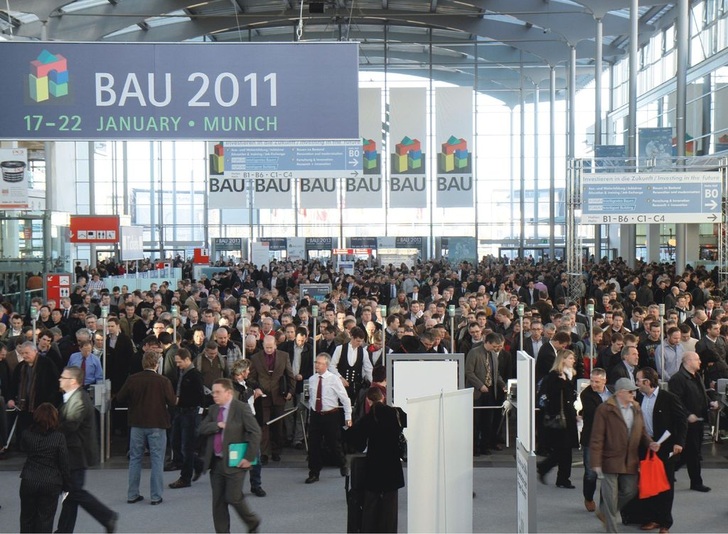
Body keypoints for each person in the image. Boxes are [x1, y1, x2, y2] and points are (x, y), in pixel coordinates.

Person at [589, 378, 660, 533]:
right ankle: (612, 529)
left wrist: (650, 443)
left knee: (630, 490)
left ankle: (605, 512)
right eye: (630, 391)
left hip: (630, 460)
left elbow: (642, 432)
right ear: (620, 392)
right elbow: (597, 437)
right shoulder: (605, 409)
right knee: (610, 497)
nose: (633, 394)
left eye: (634, 391)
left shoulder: (636, 407)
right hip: (609, 459)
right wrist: (595, 462)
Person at [56, 366, 119, 533]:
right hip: (73, 453)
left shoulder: (79, 399)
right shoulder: (71, 398)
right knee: (70, 494)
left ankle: (107, 516)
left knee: (74, 492)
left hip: (77, 454)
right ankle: (64, 530)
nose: (60, 379)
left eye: (64, 377)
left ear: (74, 381)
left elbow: (70, 425)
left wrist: (50, 429)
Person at [199, 378, 262, 534]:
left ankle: (252, 522)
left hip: (236, 462)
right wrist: (217, 425)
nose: (214, 395)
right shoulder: (213, 409)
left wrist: (248, 457)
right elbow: (202, 428)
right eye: (213, 392)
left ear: (229, 393)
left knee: (233, 497)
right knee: (218, 503)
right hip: (216, 463)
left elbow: (255, 432)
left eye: (218, 392)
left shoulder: (241, 409)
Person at [629, 366, 687, 533]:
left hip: (665, 447)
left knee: (665, 485)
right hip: (645, 447)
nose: (636, 383)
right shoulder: (638, 398)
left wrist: (679, 443)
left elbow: (681, 421)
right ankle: (652, 518)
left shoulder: (668, 398)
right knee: (648, 483)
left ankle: (665, 523)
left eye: (638, 380)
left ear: (647, 382)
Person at [116, 351, 177, 505]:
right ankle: (156, 496)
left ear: (143, 363)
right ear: (157, 364)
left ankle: (132, 494)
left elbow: (120, 398)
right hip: (157, 424)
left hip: (136, 423)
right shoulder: (163, 381)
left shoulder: (133, 379)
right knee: (157, 460)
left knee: (135, 459)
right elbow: (171, 401)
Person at [347, 387, 405, 533]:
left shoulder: (368, 418)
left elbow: (355, 441)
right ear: (383, 398)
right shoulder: (396, 413)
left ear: (368, 400)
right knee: (390, 508)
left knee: (371, 507)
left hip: (374, 467)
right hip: (392, 467)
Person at [668, 351, 718, 492]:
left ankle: (669, 471)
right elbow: (675, 401)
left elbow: (702, 394)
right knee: (693, 452)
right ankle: (696, 482)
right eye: (697, 360)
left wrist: (710, 403)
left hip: (699, 419)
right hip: (686, 422)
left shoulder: (696, 376)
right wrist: (687, 414)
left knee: (687, 452)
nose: (700, 362)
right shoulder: (678, 379)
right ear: (688, 361)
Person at [19, 402, 71, 533]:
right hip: (51, 482)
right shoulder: (59, 438)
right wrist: (67, 486)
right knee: (45, 521)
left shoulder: (27, 434)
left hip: (29, 479)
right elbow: (64, 463)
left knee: (26, 519)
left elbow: (23, 448)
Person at [306, 353, 352, 484]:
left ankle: (343, 463)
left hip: (331, 415)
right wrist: (311, 414)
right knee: (313, 444)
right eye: (316, 362)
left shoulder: (334, 379)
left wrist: (348, 417)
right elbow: (311, 398)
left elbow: (345, 398)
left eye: (319, 363)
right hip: (316, 415)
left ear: (326, 365)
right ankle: (314, 472)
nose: (317, 365)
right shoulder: (312, 379)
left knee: (334, 443)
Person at [248, 335, 294, 464]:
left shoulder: (284, 356)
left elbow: (290, 375)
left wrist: (291, 391)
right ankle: (264, 453)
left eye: (271, 347)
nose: (269, 350)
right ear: (262, 346)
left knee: (277, 426)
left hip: (279, 395)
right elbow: (251, 378)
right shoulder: (255, 358)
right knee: (264, 425)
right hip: (263, 397)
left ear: (275, 345)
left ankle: (276, 451)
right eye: (266, 347)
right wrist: (257, 388)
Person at [537, 349, 579, 488]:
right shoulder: (555, 376)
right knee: (563, 449)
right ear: (563, 359)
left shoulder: (568, 376)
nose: (573, 361)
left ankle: (559, 476)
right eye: (571, 358)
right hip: (560, 419)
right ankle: (554, 473)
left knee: (564, 450)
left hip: (568, 417)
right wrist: (563, 384)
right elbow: (553, 396)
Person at [168, 348, 205, 489]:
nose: (177, 365)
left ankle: (185, 477)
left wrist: (180, 400)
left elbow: (199, 397)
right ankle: (198, 464)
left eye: (179, 362)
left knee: (187, 446)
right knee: (176, 442)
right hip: (180, 412)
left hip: (190, 413)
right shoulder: (183, 372)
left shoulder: (195, 375)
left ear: (187, 360)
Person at [465, 332, 507, 456]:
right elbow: (469, 372)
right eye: (494, 346)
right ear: (487, 342)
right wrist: (480, 385)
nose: (496, 348)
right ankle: (474, 448)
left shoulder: (494, 355)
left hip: (490, 391)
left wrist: (502, 384)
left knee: (488, 421)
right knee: (476, 422)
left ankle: (485, 446)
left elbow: (495, 373)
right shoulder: (474, 353)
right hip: (477, 393)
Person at [230, 359, 266, 497]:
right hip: (239, 425)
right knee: (237, 458)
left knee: (255, 456)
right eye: (247, 370)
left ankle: (256, 485)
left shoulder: (247, 383)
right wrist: (251, 392)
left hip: (251, 422)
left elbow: (257, 385)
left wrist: (256, 389)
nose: (249, 372)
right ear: (241, 373)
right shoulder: (232, 387)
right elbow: (239, 402)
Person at [579, 367, 611, 512]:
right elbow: (595, 413)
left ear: (604, 381)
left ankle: (605, 504)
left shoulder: (613, 391)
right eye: (592, 381)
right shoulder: (586, 394)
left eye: (597, 381)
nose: (593, 384)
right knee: (591, 473)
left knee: (607, 474)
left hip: (610, 439)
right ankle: (588, 497)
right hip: (591, 438)